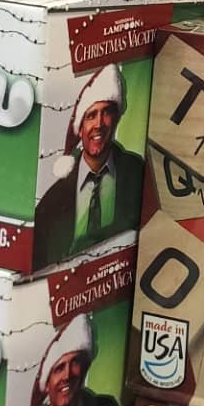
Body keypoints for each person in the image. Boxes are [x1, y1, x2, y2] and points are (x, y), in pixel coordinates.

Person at [32, 65, 144, 270]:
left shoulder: (138, 174)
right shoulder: (51, 203)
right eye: (91, 115)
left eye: (106, 112)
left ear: (116, 118)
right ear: (80, 127)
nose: (99, 124)